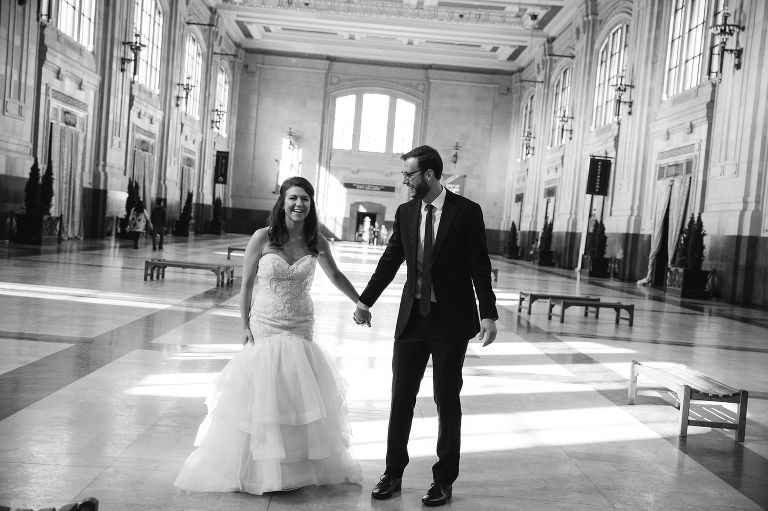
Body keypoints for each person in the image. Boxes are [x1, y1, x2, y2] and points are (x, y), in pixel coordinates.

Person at [174, 177, 362, 494]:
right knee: (263, 392)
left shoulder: (317, 240)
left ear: (311, 204)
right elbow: (246, 284)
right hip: (265, 321)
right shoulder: (263, 237)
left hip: (300, 322)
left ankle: (293, 467)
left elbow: (336, 275)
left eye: (305, 198)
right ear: (283, 202)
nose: (299, 204)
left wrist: (360, 301)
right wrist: (244, 324)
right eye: (293, 198)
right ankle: (258, 467)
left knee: (293, 391)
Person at [353, 145, 498, 507]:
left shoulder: (466, 212)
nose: (405, 180)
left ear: (429, 175)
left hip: (450, 322)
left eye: (409, 175)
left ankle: (444, 478)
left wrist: (488, 313)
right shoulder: (405, 212)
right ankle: (393, 473)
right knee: (400, 398)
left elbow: (479, 265)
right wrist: (364, 300)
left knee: (446, 399)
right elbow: (390, 260)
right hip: (413, 319)